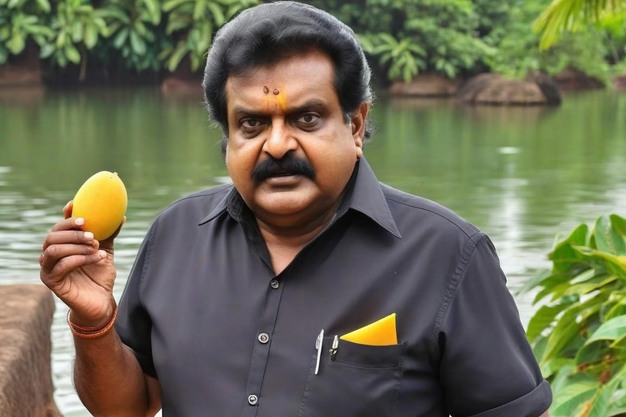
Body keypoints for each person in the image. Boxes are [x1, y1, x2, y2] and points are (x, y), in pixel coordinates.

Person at [39, 2, 552, 416]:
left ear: (355, 124)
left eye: (306, 119)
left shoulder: (447, 256)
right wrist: (94, 322)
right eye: (252, 124)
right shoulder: (176, 235)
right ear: (227, 136)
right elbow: (126, 407)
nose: (278, 144)